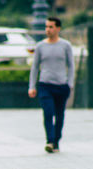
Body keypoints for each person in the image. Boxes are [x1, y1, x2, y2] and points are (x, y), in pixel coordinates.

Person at [28, 17, 74, 153]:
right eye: (46, 27)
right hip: (45, 85)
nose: (48, 29)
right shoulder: (40, 46)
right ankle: (50, 141)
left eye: (51, 27)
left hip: (61, 86)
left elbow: (71, 66)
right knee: (48, 113)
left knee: (59, 115)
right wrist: (32, 86)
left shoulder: (66, 45)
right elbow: (35, 67)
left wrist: (70, 84)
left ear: (58, 29)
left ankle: (56, 141)